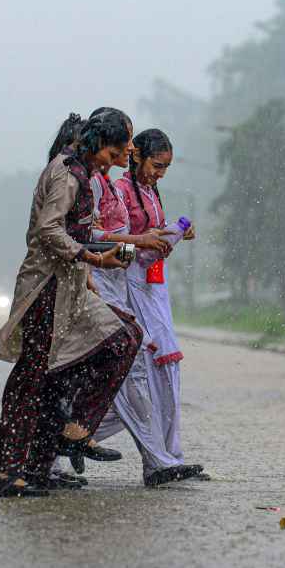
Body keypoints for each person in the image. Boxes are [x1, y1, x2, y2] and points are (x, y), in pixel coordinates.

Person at [0, 111, 143, 498]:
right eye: (115, 149)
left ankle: (65, 439)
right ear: (95, 143)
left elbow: (78, 231)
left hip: (71, 286)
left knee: (121, 338)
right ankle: (6, 471)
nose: (119, 158)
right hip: (46, 288)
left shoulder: (85, 174)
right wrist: (94, 260)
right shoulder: (67, 174)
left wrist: (92, 267)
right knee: (34, 377)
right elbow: (48, 230)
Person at [115, 128, 205, 486]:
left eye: (165, 167)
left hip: (155, 287)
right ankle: (159, 459)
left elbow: (149, 238)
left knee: (166, 373)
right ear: (136, 156)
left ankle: (168, 456)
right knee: (136, 378)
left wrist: (172, 233)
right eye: (156, 165)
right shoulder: (119, 192)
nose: (159, 173)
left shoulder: (151, 192)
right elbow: (113, 246)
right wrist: (143, 245)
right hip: (128, 287)